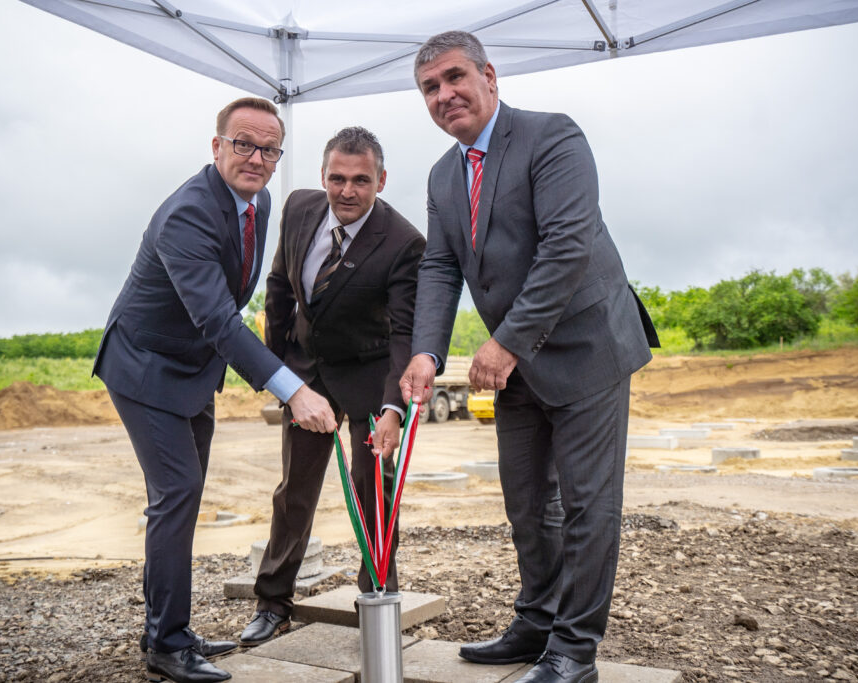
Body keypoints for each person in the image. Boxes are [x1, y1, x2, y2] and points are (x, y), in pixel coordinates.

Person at [400, 32, 659, 683]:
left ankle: (574, 650)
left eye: (454, 77)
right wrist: (426, 351)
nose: (444, 94)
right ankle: (537, 621)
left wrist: (507, 341)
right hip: (516, 366)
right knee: (526, 501)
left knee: (588, 504)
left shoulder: (552, 137)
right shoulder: (441, 175)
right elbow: (440, 267)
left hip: (586, 349)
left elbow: (567, 245)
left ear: (489, 76)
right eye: (429, 87)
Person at [93, 97, 336, 683]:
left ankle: (163, 628)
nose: (256, 158)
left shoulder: (259, 201)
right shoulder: (188, 214)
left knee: (181, 497)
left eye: (269, 150)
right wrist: (292, 390)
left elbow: (233, 298)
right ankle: (167, 645)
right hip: (145, 367)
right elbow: (219, 319)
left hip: (193, 369)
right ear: (216, 146)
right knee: (176, 494)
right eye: (243, 144)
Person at [239, 126, 425, 646]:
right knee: (294, 492)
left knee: (373, 490)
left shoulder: (405, 242)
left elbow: (404, 334)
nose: (347, 191)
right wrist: (280, 374)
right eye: (337, 178)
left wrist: (393, 409)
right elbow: (280, 286)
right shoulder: (299, 208)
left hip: (370, 376)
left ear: (381, 181)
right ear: (322, 175)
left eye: (361, 180)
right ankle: (273, 603)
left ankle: (378, 598)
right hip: (306, 373)